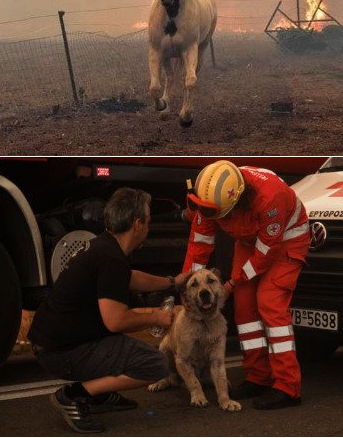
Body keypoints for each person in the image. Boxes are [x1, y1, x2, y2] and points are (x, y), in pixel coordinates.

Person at [29, 187, 187, 434]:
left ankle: (100, 396)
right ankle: (75, 395)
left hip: (52, 343)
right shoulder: (111, 258)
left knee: (121, 344)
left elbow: (130, 278)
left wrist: (172, 282)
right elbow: (115, 320)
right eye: (148, 219)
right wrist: (156, 317)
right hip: (60, 353)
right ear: (137, 224)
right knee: (156, 364)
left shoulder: (104, 246)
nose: (149, 225)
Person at [182, 160, 310, 410]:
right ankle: (258, 376)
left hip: (285, 241)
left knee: (269, 303)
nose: (210, 217)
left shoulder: (270, 198)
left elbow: (265, 254)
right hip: (251, 240)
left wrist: (230, 283)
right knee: (244, 308)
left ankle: (287, 386)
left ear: (237, 202)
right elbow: (199, 246)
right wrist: (190, 291)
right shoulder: (212, 199)